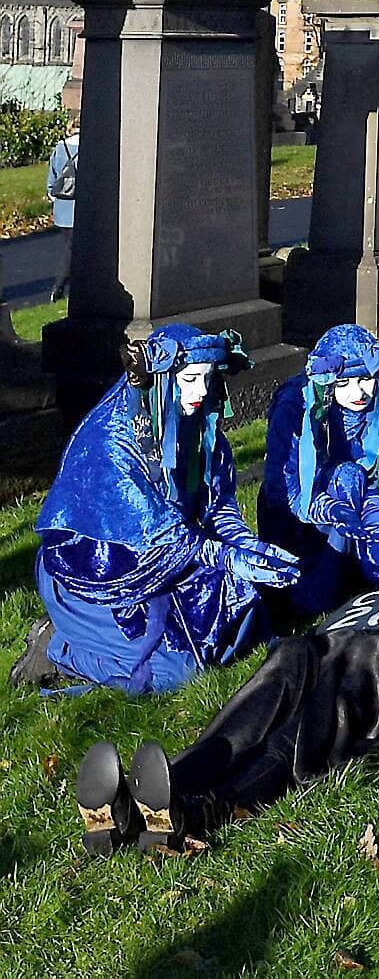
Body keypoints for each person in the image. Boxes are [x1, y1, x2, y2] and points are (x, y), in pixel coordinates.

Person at [70, 563, 379, 854]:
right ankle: (149, 800)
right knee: (289, 656)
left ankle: (205, 809)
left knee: (306, 717)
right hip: (330, 650)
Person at [27, 325, 299, 694]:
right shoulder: (112, 440)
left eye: (206, 379)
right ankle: (60, 645)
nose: (200, 392)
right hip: (99, 571)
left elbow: (216, 505)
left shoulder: (199, 427)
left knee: (247, 617)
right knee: (174, 673)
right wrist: (225, 557)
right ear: (158, 378)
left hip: (173, 556)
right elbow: (155, 531)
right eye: (188, 379)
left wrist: (250, 549)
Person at [259, 324, 379, 619]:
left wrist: (376, 508)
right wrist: (334, 509)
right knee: (347, 476)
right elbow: (282, 491)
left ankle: (371, 569)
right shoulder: (295, 407)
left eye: (365, 379)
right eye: (344, 383)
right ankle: (326, 579)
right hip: (306, 514)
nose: (358, 392)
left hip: (376, 495)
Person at [44, 128, 79, 302]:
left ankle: (68, 288)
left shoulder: (60, 147)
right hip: (79, 208)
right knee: (72, 251)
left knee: (69, 247)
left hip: (62, 209)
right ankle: (58, 287)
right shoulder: (90, 147)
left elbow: (52, 179)